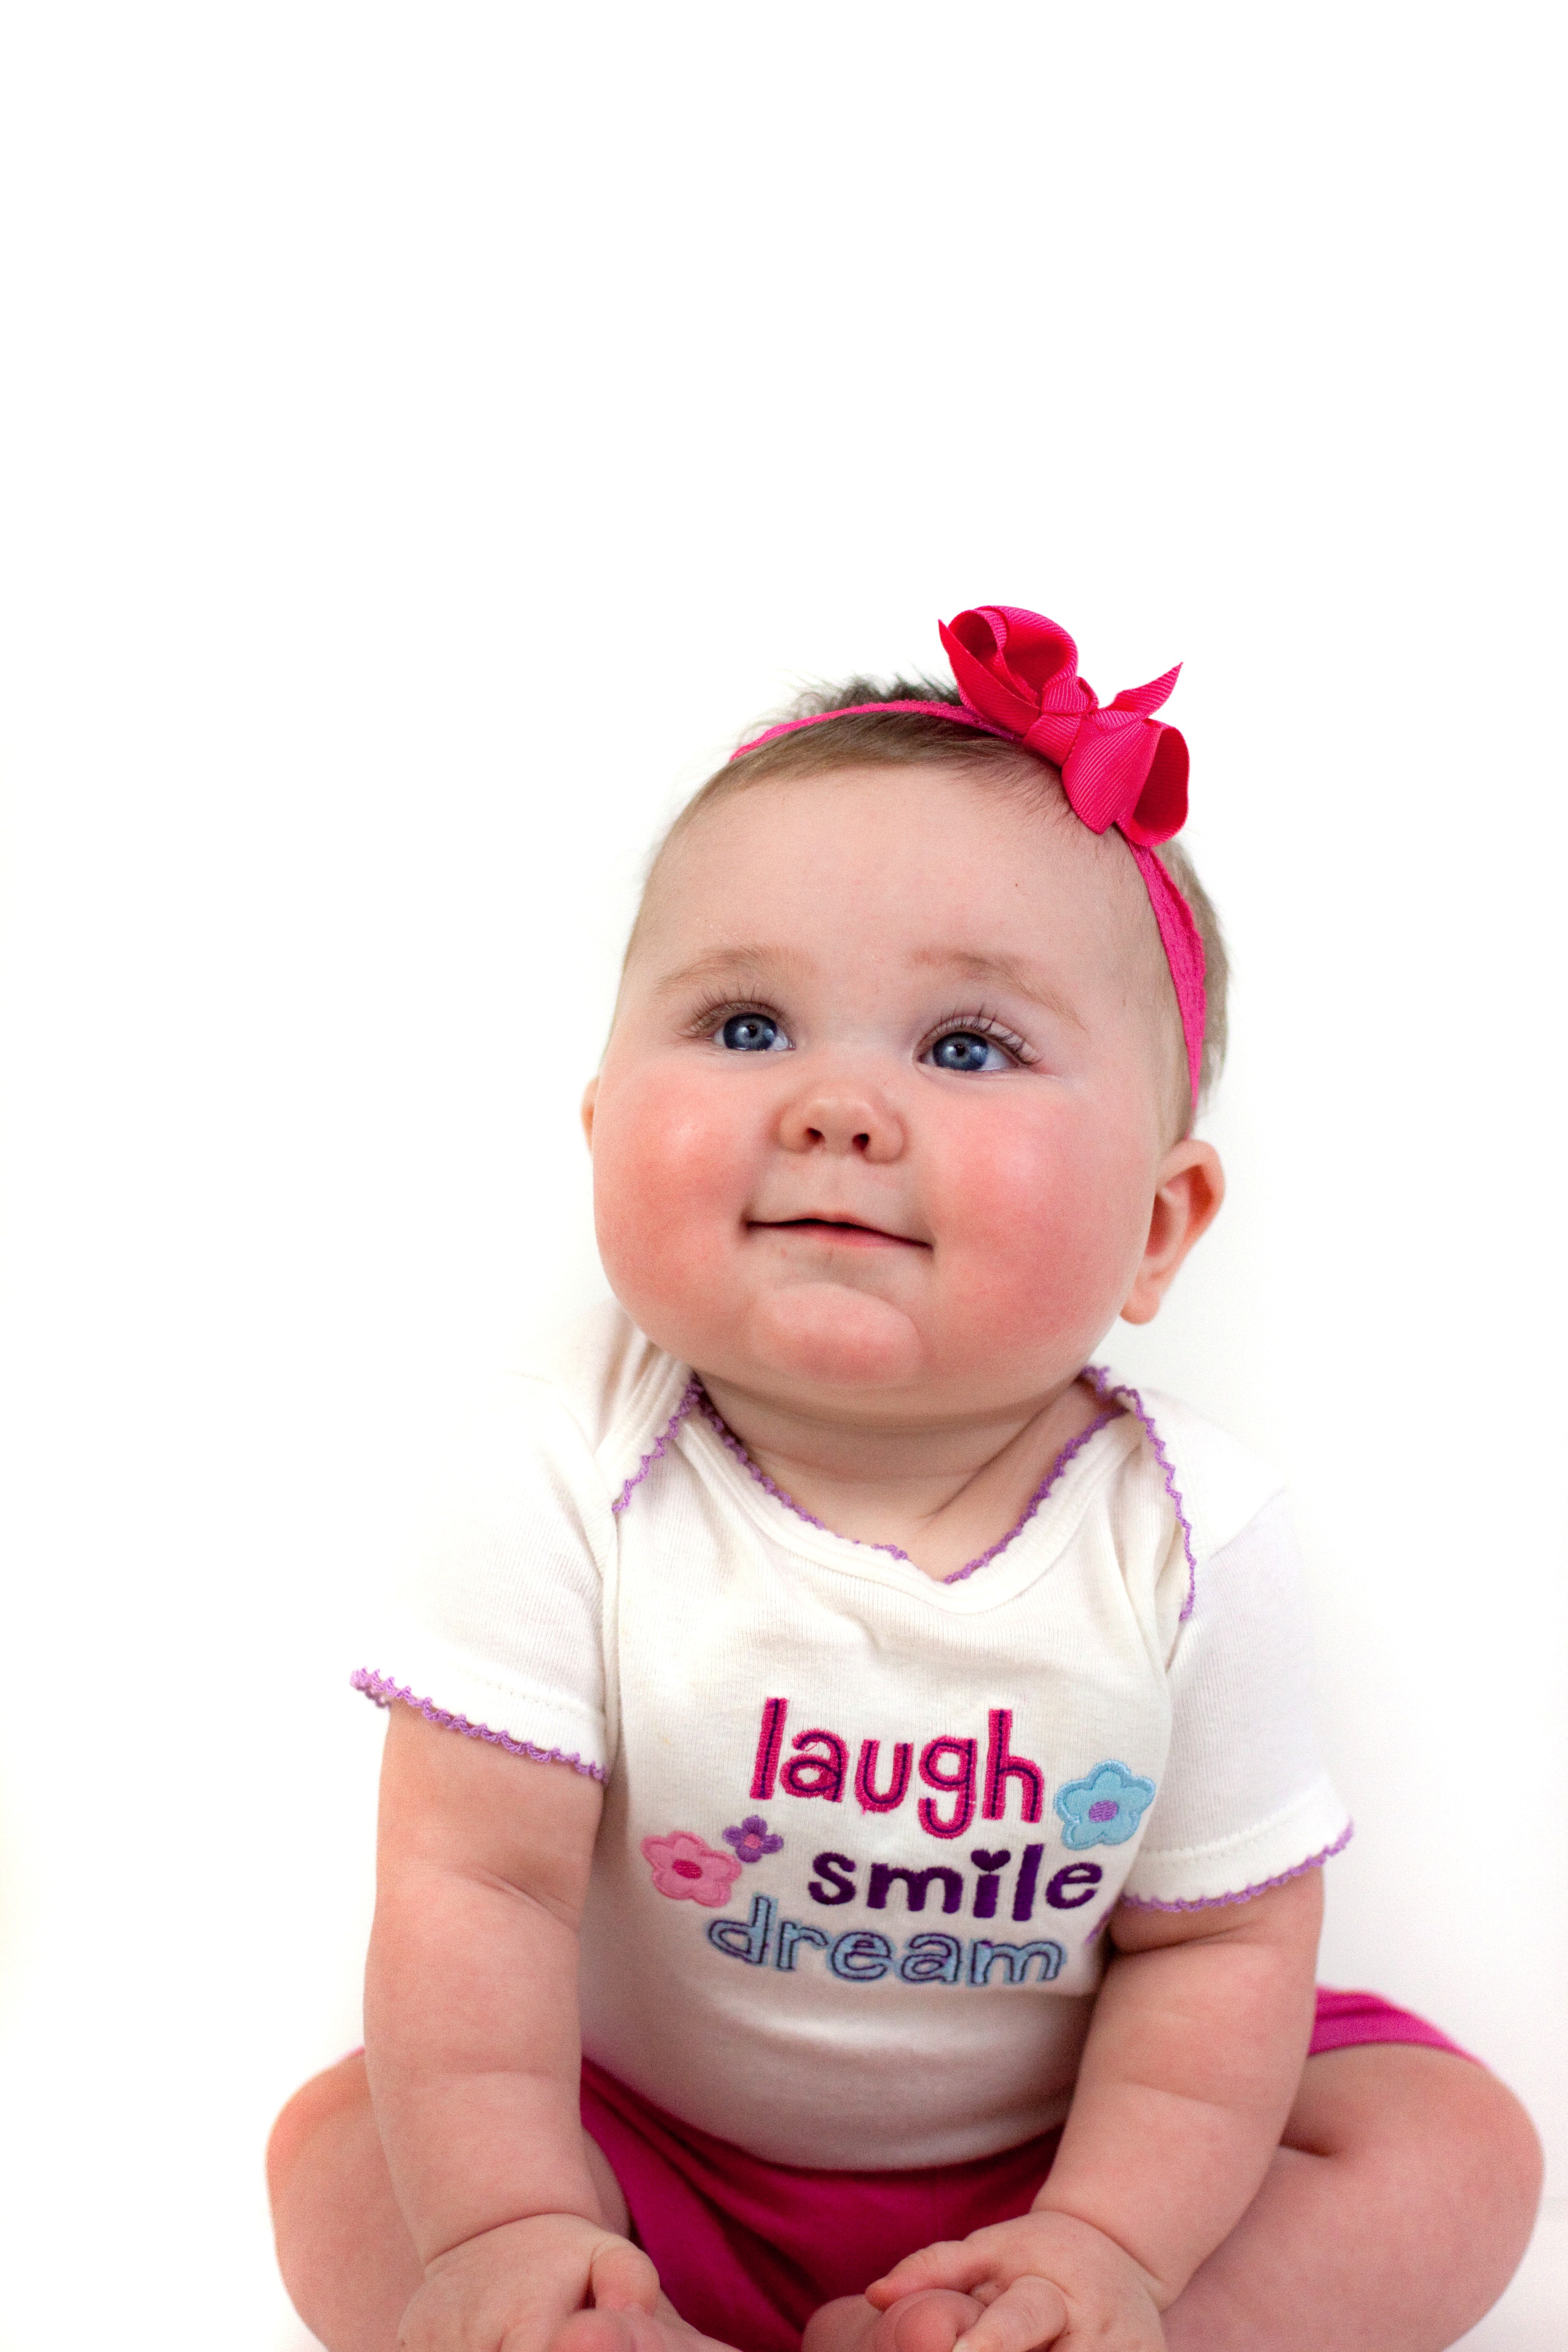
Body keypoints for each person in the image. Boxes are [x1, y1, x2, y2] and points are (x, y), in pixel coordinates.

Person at [268, 607, 1542, 2352]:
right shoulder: (561, 1465)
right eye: (744, 1025)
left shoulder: (1188, 1535)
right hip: (649, 2159)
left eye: (966, 1048)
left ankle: (1072, 2333)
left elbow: (1217, 1953)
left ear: (1157, 1225)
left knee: (1448, 2147)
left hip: (1078, 2149)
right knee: (343, 2155)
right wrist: (513, 2220)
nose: (836, 1106)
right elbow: (478, 1888)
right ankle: (608, 2321)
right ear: (599, 1129)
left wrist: (1105, 2245)